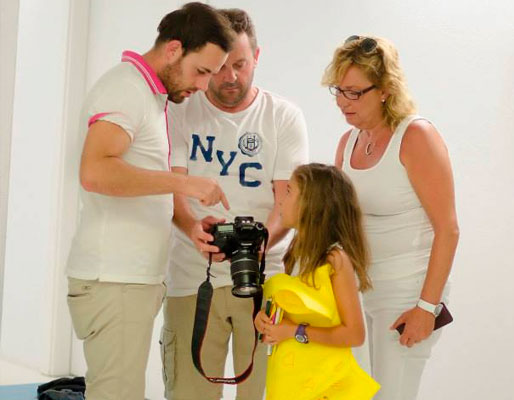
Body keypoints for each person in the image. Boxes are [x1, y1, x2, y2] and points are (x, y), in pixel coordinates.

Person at [65, 4, 235, 400]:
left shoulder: (150, 96)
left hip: (130, 281)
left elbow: (143, 183)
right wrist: (189, 186)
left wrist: (189, 224)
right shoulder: (126, 89)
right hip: (115, 280)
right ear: (174, 49)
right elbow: (95, 172)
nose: (205, 84)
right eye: (203, 71)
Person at [162, 8, 309, 400]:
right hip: (192, 278)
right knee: (189, 392)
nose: (230, 77)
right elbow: (173, 189)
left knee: (265, 393)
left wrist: (261, 242)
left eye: (241, 65)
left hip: (265, 281)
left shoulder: (282, 117)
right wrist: (192, 227)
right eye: (221, 67)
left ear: (257, 58)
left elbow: (287, 201)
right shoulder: (179, 110)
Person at [323, 35, 460, 400]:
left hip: (406, 295)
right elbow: (339, 225)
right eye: (338, 90)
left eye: (354, 93)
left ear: (384, 89)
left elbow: (448, 229)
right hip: (360, 292)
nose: (342, 102)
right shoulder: (347, 142)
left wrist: (426, 308)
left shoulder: (416, 136)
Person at [254, 163, 380, 400]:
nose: (281, 199)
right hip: (303, 377)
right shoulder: (297, 253)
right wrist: (267, 321)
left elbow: (354, 334)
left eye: (289, 192)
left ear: (311, 205)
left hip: (331, 385)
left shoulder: (335, 260)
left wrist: (293, 331)